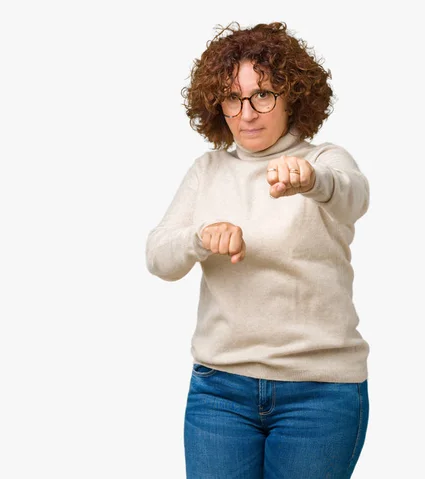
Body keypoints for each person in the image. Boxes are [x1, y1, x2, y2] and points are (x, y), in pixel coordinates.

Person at [145, 21, 371, 478]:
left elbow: (355, 198)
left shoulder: (324, 161)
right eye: (233, 98)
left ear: (292, 96)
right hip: (219, 393)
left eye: (262, 94)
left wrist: (312, 181)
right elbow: (158, 255)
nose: (247, 112)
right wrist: (200, 237)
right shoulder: (207, 170)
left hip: (319, 395)